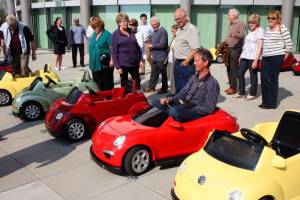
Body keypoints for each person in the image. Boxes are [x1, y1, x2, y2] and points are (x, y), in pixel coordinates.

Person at [152, 48, 220, 123]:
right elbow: (183, 92)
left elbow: (209, 108)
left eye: (197, 61)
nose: (194, 63)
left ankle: (171, 121)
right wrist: (169, 99)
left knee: (174, 111)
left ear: (206, 63)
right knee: (156, 103)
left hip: (195, 112)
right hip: (184, 106)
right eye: (194, 61)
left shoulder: (212, 83)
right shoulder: (193, 77)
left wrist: (187, 108)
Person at [260, 10, 293, 109]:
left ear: (278, 19)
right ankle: (265, 101)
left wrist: (283, 58)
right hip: (265, 57)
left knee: (273, 80)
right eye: (269, 18)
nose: (270, 20)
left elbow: (289, 45)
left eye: (273, 18)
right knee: (264, 79)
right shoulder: (267, 29)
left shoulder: (282, 29)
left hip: (276, 57)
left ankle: (272, 103)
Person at [235, 14, 264, 100]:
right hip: (245, 56)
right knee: (240, 74)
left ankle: (253, 93)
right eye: (249, 22)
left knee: (253, 76)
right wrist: (241, 56)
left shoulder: (260, 31)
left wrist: (256, 60)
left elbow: (259, 47)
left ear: (257, 22)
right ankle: (241, 92)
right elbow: (246, 45)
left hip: (253, 58)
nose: (250, 24)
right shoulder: (250, 31)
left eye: (252, 22)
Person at [111, 13, 143, 89]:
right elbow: (114, 52)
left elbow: (137, 47)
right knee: (124, 85)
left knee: (137, 82)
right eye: (123, 21)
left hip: (134, 63)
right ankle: (125, 99)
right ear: (119, 23)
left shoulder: (132, 31)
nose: (126, 23)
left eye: (126, 21)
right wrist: (118, 67)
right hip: (123, 64)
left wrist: (141, 59)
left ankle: (136, 98)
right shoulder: (115, 34)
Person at [173, 8, 200, 93]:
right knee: (178, 86)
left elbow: (195, 48)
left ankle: (186, 105)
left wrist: (186, 62)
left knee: (186, 87)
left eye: (179, 18)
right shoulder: (180, 29)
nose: (177, 21)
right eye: (176, 19)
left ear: (185, 17)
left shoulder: (192, 29)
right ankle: (178, 103)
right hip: (178, 62)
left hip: (186, 64)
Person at [144, 16, 168, 94]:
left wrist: (152, 46)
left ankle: (164, 89)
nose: (153, 26)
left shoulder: (163, 30)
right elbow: (154, 40)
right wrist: (149, 41)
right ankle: (151, 87)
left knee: (163, 73)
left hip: (161, 56)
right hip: (155, 56)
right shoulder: (154, 31)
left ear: (158, 23)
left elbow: (163, 44)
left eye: (154, 24)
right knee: (154, 72)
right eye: (152, 25)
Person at [224, 8, 245, 95]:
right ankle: (231, 86)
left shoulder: (241, 23)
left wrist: (234, 35)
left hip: (236, 49)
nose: (228, 16)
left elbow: (242, 35)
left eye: (229, 14)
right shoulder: (230, 24)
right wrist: (224, 42)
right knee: (228, 67)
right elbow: (228, 36)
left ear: (234, 15)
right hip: (229, 48)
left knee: (233, 68)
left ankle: (234, 87)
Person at [89, 16, 114, 90]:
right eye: (93, 27)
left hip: (105, 65)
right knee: (97, 85)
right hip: (94, 65)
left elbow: (112, 48)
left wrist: (112, 60)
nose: (93, 29)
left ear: (100, 26)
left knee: (107, 85)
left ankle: (109, 100)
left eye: (95, 27)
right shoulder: (94, 35)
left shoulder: (107, 35)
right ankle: (100, 100)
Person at [167, 24, 178, 95]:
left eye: (173, 31)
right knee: (170, 76)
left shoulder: (178, 38)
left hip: (174, 60)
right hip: (170, 59)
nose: (172, 32)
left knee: (173, 77)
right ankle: (172, 90)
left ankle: (173, 92)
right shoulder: (174, 37)